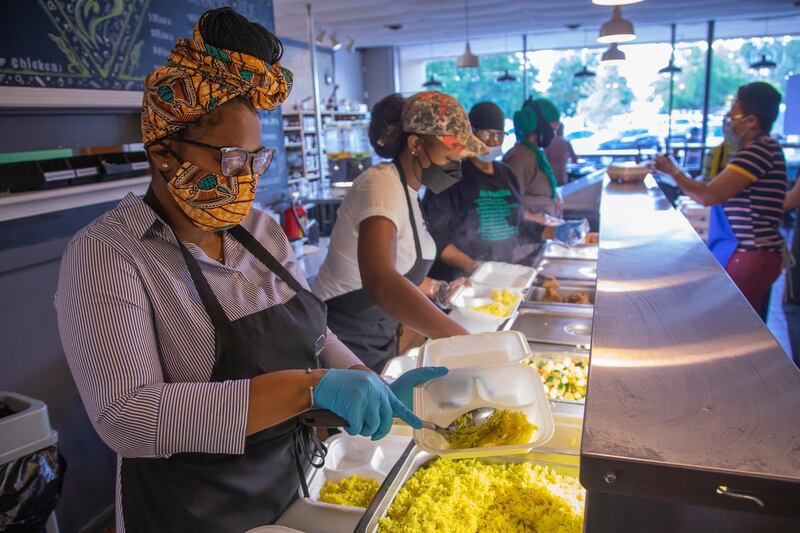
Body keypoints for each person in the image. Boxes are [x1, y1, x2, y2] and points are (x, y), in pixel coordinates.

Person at [54, 9, 443, 533]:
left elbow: (317, 332)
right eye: (233, 160)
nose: (247, 181)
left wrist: (364, 379)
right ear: (164, 152)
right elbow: (129, 417)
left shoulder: (259, 230)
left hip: (290, 488)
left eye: (257, 161)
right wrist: (310, 388)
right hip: (191, 512)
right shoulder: (109, 254)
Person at [312, 91, 485, 372]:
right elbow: (381, 280)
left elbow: (402, 269)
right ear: (415, 144)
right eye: (450, 154)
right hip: (339, 338)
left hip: (377, 336)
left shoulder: (410, 193)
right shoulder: (380, 185)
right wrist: (459, 339)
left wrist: (439, 290)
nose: (456, 163)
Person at [652, 82, 787, 313]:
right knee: (744, 320)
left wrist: (673, 171)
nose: (728, 123)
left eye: (732, 116)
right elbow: (708, 186)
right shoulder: (761, 149)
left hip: (752, 252)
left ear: (751, 121)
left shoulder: (759, 151)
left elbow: (708, 195)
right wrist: (673, 173)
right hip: (750, 251)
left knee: (736, 322)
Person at [422, 101, 546, 281]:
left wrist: (555, 232)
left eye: (499, 135)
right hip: (457, 282)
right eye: (486, 134)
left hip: (497, 277)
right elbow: (434, 236)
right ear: (472, 133)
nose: (493, 141)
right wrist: (473, 267)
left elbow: (516, 227)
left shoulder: (507, 175)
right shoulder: (450, 176)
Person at [503, 98, 562, 218]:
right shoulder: (518, 158)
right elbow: (509, 206)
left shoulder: (535, 154)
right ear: (539, 125)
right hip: (528, 234)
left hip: (543, 233)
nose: (553, 134)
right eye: (552, 129)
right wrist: (541, 220)